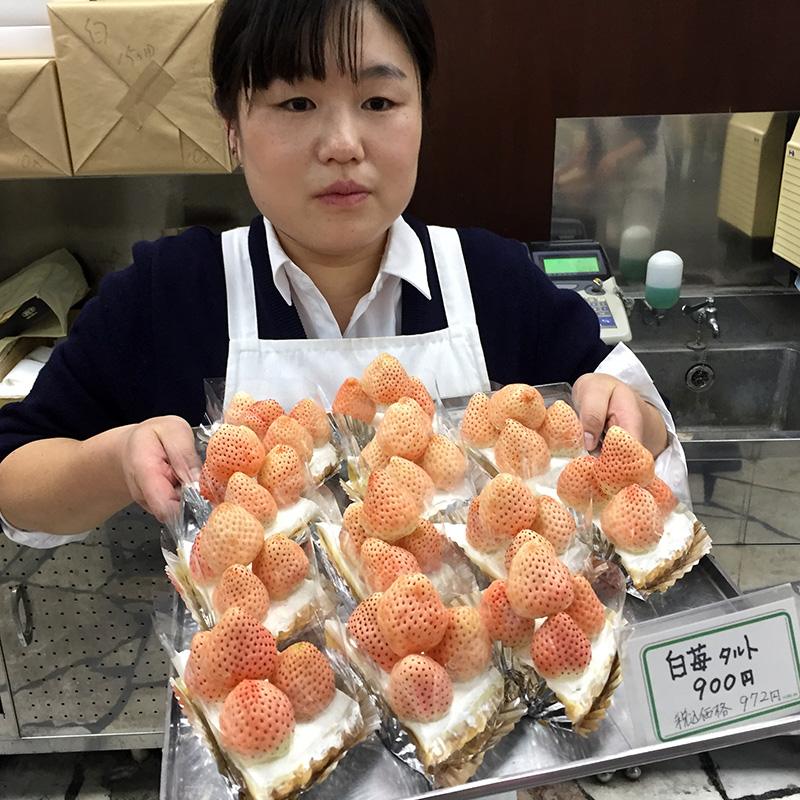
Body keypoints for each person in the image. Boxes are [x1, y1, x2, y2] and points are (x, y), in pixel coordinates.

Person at [0, 0, 678, 547]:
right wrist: (117, 458)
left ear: (422, 109)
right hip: (254, 675)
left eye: (379, 102)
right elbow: (15, 476)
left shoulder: (494, 281)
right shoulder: (168, 294)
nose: (343, 145)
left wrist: (626, 421)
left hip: (469, 674)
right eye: (297, 104)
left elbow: (640, 425)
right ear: (231, 123)